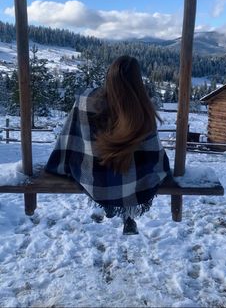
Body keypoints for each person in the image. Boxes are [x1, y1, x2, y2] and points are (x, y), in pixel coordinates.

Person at [45, 55, 172, 235]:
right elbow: (154, 155)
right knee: (152, 170)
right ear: (137, 79)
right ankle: (128, 215)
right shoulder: (144, 108)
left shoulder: (85, 100)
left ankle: (111, 207)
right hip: (137, 183)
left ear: (109, 75)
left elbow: (70, 139)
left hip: (95, 180)